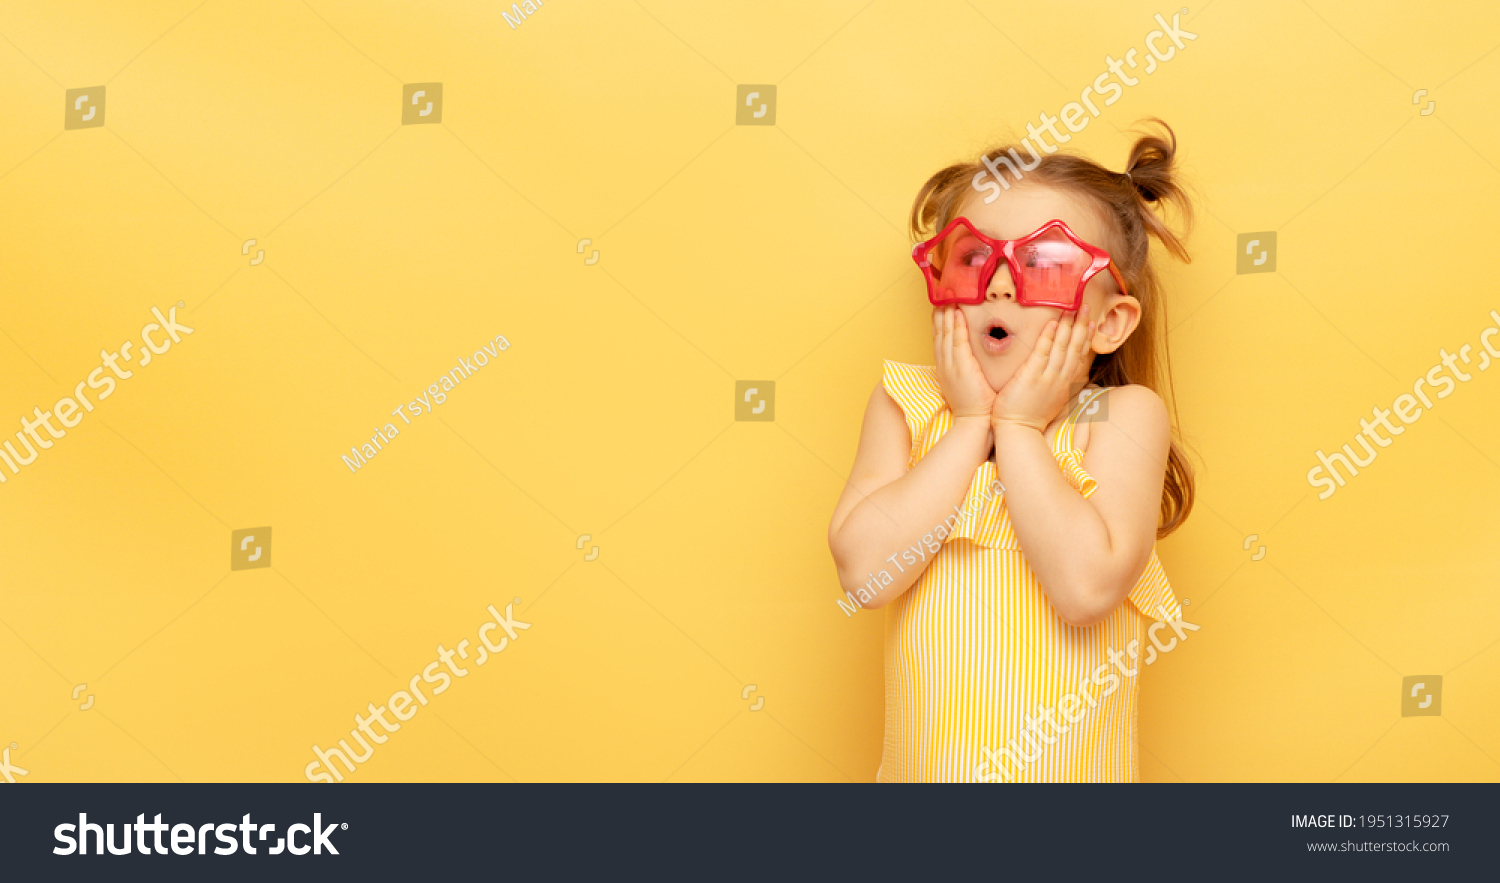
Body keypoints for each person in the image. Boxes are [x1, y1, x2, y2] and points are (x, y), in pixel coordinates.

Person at [828, 121, 1197, 782]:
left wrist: (1021, 431)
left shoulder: (1118, 419)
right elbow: (865, 575)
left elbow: (1085, 588)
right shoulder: (905, 407)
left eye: (1044, 264)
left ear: (1108, 322)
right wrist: (971, 422)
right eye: (973, 257)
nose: (999, 285)